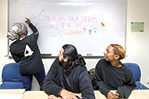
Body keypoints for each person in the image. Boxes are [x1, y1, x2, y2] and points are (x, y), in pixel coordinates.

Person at [7, 18, 45, 91]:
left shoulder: (12, 47)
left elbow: (17, 60)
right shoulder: (32, 38)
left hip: (25, 70)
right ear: (24, 32)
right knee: (43, 84)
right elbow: (36, 32)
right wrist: (30, 23)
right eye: (26, 29)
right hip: (37, 67)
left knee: (26, 89)